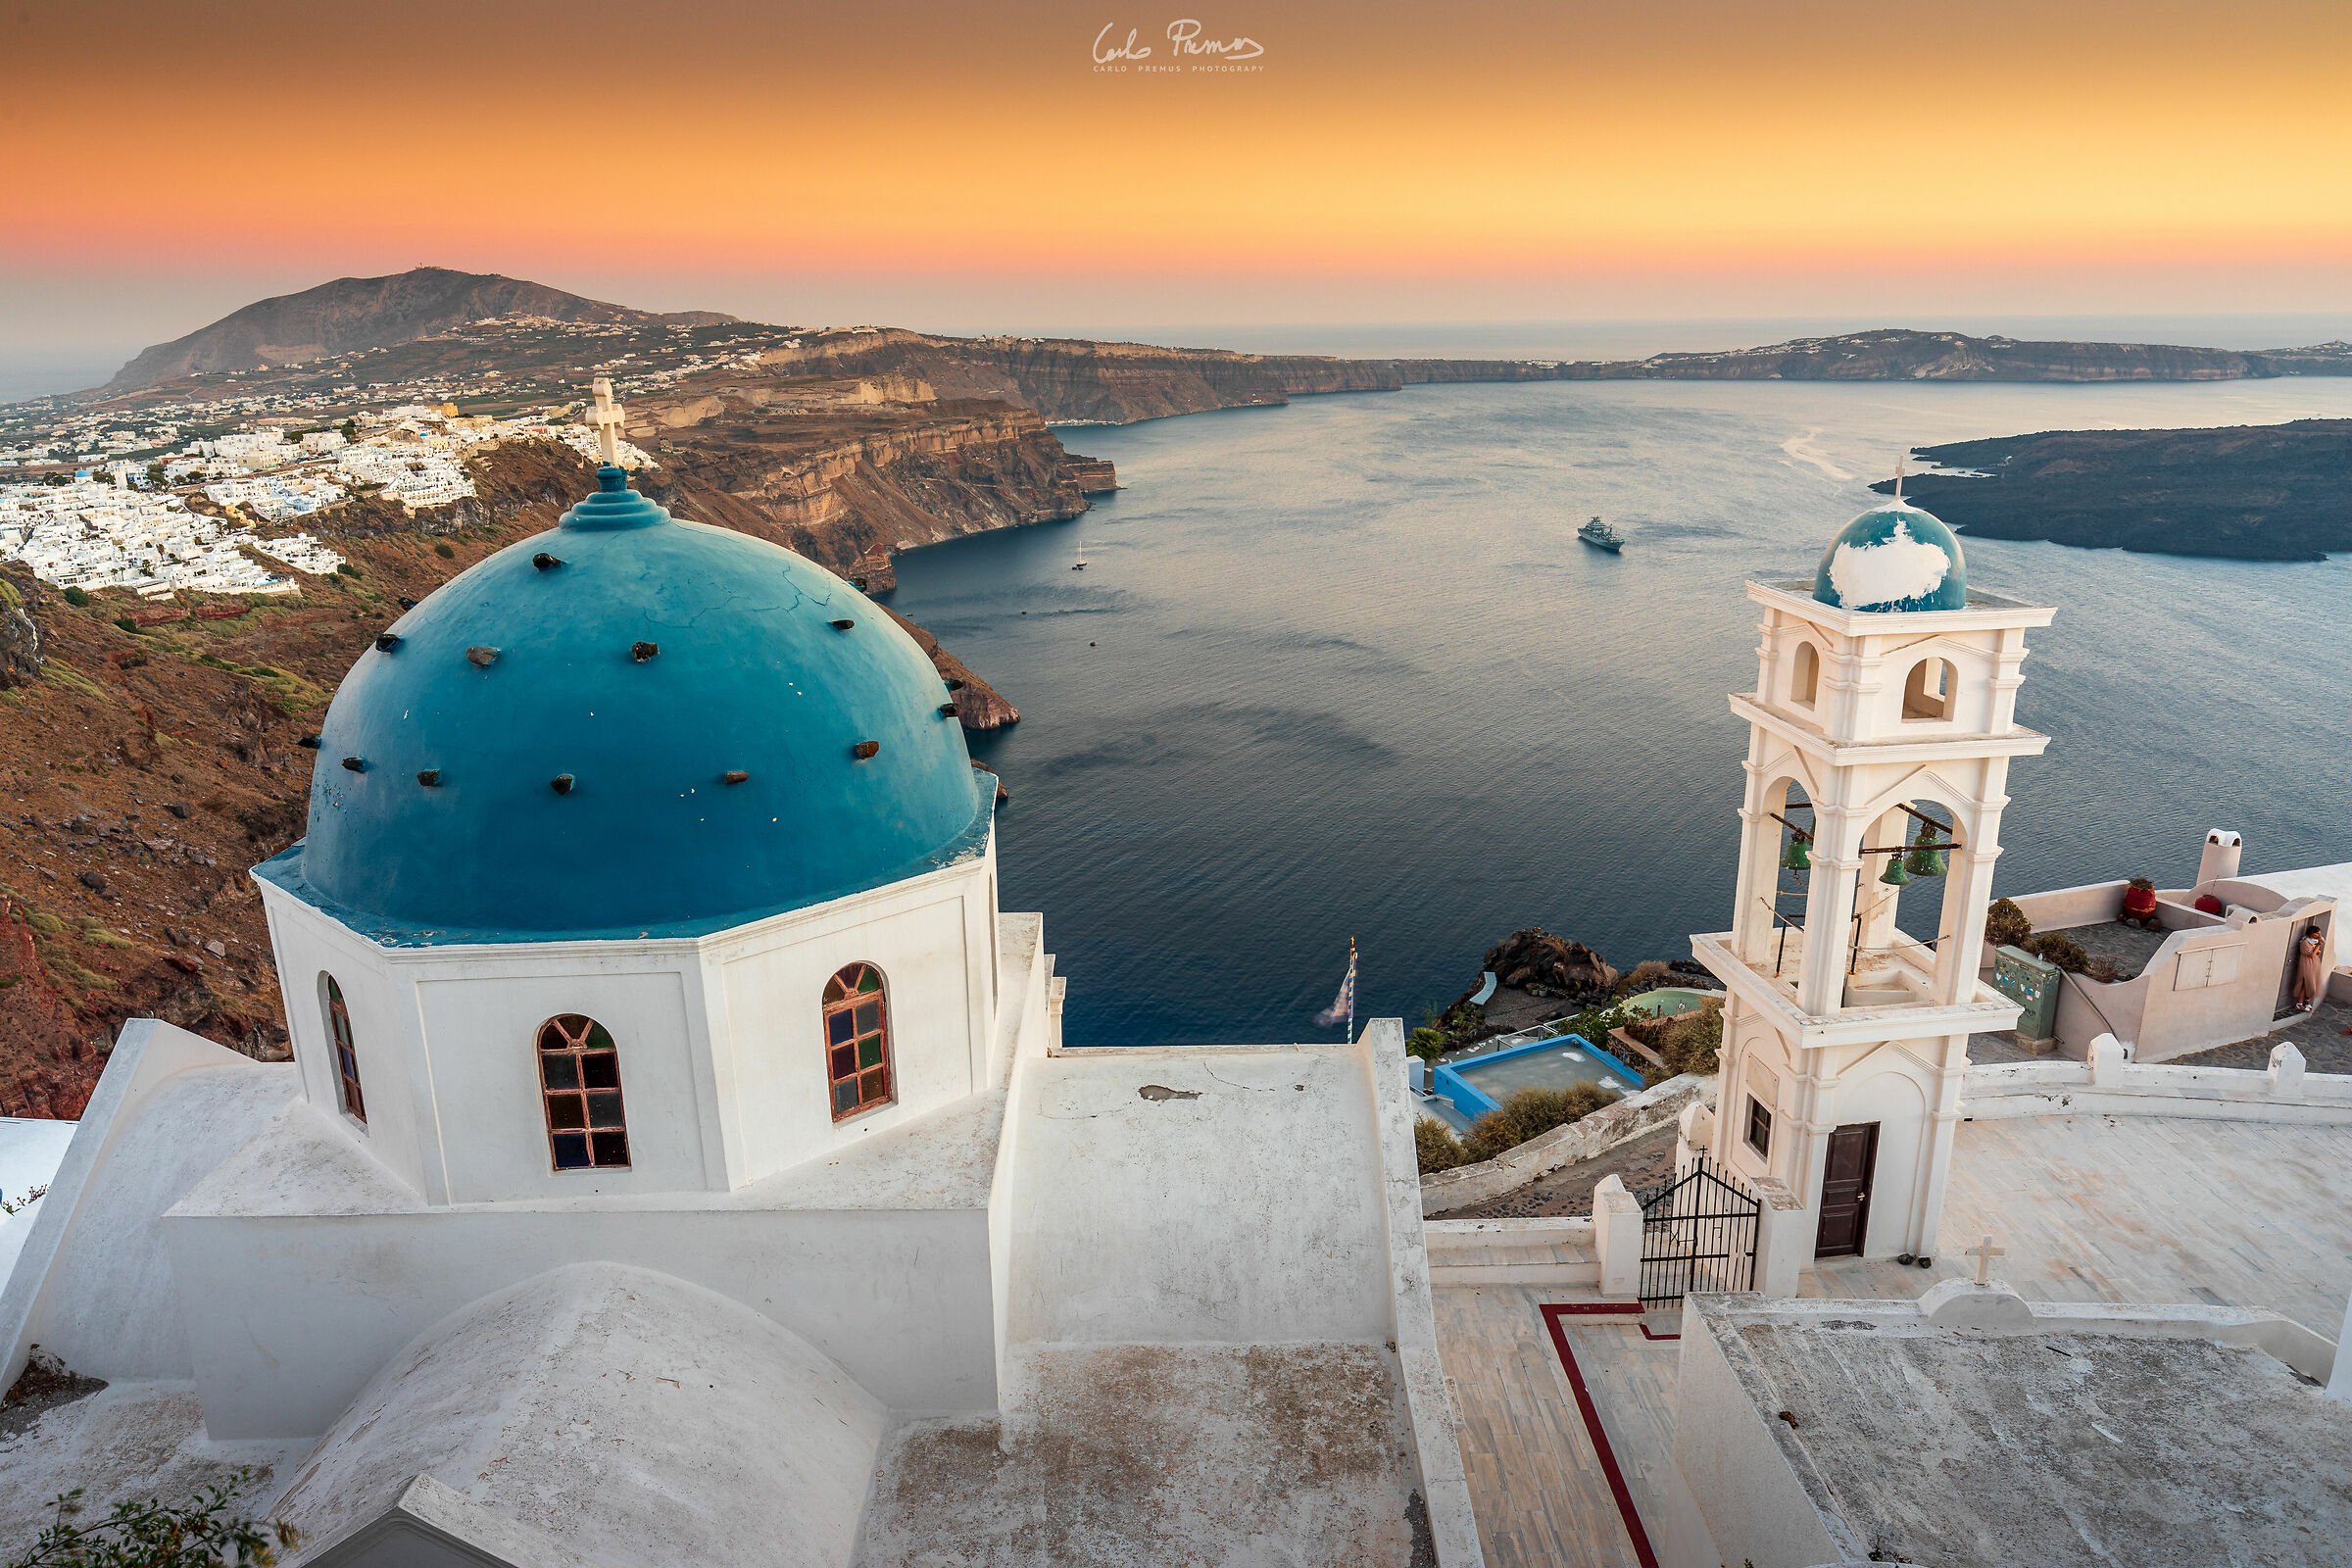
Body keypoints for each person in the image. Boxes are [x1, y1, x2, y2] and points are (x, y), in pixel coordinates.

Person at [2292, 927, 2328, 1014]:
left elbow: (2316, 953)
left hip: (2313, 964)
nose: (2319, 935)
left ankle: (2306, 1002)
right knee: (2307, 983)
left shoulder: (2312, 942)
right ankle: (2299, 1003)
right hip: (2306, 964)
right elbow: (2311, 955)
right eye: (2317, 933)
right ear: (2311, 933)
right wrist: (2318, 945)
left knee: (2311, 983)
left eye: (2319, 933)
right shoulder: (2304, 942)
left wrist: (2317, 948)